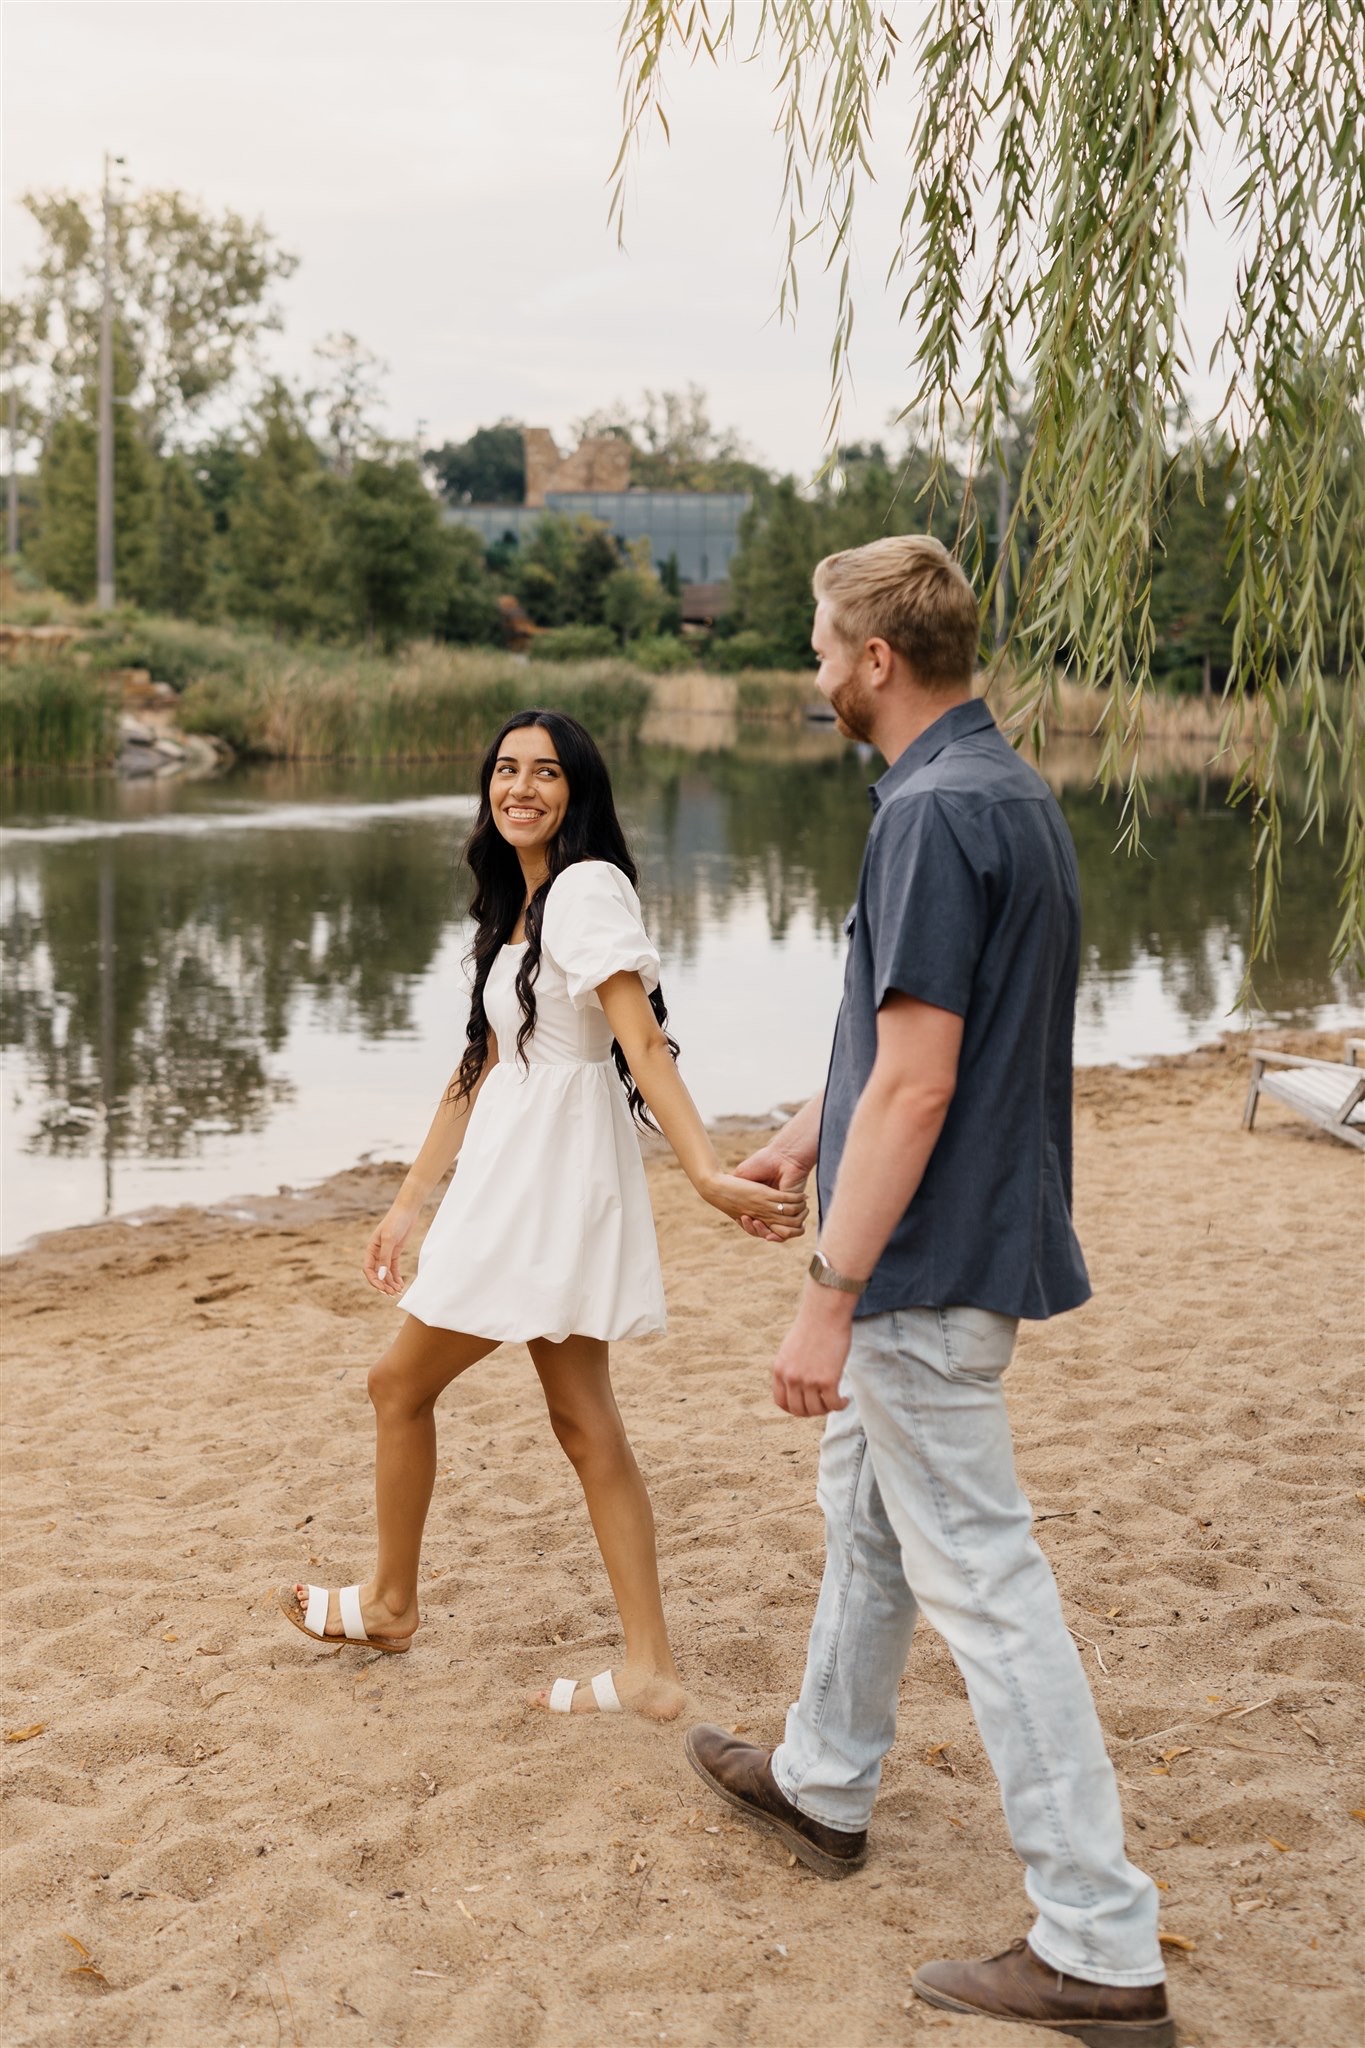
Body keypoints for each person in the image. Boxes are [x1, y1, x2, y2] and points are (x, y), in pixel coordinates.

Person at [690, 538, 1174, 2045]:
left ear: (875, 661)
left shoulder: (928, 818)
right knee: (868, 1519)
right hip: (974, 1237)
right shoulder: (1003, 791)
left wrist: (828, 1291)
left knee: (986, 1582)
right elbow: (900, 1056)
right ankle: (824, 1781)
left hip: (924, 1264)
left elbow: (919, 1082)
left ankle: (1096, 1938)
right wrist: (800, 1131)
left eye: (820, 647)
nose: (812, 672)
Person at [279, 708, 804, 1720]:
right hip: (517, 1173)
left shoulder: (585, 889)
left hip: (546, 1185)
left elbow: (642, 1044)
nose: (521, 786)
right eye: (506, 769)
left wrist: (702, 1173)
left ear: (581, 791)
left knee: (398, 1381)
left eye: (547, 771)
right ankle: (647, 1664)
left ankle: (392, 1601)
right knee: (581, 1417)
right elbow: (479, 1065)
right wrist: (404, 1205)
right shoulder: (519, 907)